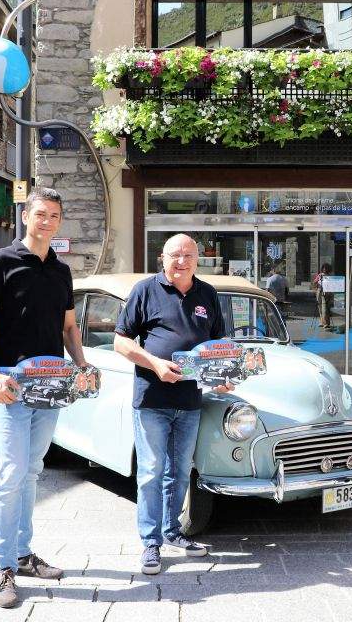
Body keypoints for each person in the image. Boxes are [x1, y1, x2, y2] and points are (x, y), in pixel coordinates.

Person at [0, 188, 89, 608]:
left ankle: (22, 554)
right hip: (10, 385)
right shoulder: (0, 262)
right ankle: (3, 567)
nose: (47, 221)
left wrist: (82, 365)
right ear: (25, 216)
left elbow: (69, 327)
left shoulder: (61, 271)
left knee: (32, 470)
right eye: (41, 214)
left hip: (50, 387)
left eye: (54, 215)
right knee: (12, 472)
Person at [114, 234, 236, 575]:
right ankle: (150, 543)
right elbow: (121, 342)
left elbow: (218, 344)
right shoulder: (145, 290)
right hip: (152, 399)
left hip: (190, 401)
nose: (181, 261)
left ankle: (172, 531)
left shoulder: (207, 294)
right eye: (174, 255)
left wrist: (224, 374)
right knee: (151, 472)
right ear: (162, 258)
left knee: (180, 471)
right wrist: (155, 364)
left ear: (198, 259)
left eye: (188, 255)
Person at [313, 263, 334, 328]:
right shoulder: (320, 275)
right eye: (323, 268)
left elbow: (332, 285)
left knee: (325, 308)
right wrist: (318, 281)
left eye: (326, 269)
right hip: (319, 291)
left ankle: (326, 323)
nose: (324, 270)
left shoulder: (330, 276)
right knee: (320, 307)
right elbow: (314, 282)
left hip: (327, 292)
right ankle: (322, 322)